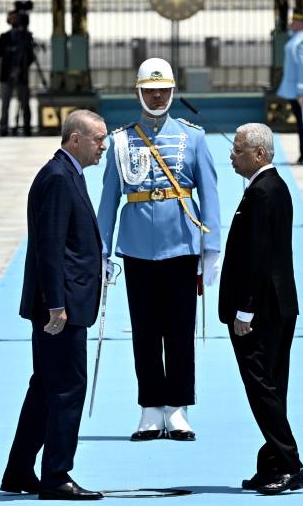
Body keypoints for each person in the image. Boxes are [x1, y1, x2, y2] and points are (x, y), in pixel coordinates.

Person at [97, 57, 221, 442]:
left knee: (181, 330)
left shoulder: (193, 137)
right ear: (138, 92)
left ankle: (178, 407)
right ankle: (150, 407)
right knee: (145, 331)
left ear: (172, 92)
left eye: (163, 90)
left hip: (182, 243)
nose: (156, 96)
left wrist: (212, 247)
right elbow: (108, 200)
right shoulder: (122, 140)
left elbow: (210, 194)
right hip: (136, 247)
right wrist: (102, 250)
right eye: (150, 90)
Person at [2, 109, 107, 501]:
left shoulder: (66, 174)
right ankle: (57, 475)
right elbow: (49, 248)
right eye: (98, 139)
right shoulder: (59, 178)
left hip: (63, 302)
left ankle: (19, 470)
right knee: (66, 388)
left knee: (45, 388)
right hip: (60, 309)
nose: (103, 146)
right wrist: (57, 306)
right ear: (75, 139)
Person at [220, 123, 303, 496]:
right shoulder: (270, 187)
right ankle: (272, 462)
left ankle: (291, 465)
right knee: (272, 387)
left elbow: (256, 257)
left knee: (262, 389)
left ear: (258, 154)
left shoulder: (263, 192)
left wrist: (245, 310)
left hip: (261, 310)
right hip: (276, 306)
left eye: (238, 150)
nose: (231, 155)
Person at [276, 12, 303, 165]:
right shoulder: (297, 38)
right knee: (301, 124)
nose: (291, 23)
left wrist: (302, 91)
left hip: (301, 91)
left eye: (294, 21)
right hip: (294, 90)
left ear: (301, 24)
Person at [0, 8, 36, 136]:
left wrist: (22, 66)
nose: (14, 20)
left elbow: (31, 57)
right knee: (5, 103)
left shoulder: (26, 38)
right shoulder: (4, 37)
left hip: (22, 75)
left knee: (25, 103)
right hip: (6, 75)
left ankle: (27, 126)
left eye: (16, 18)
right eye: (11, 18)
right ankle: (3, 127)